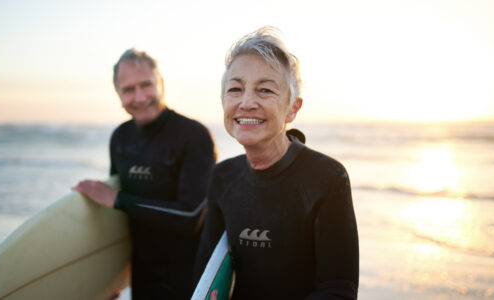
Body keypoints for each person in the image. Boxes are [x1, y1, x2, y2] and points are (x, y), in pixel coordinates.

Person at [194, 27, 359, 299]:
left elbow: (338, 291)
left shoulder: (327, 179)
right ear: (223, 101)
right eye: (235, 89)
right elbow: (205, 274)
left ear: (293, 108)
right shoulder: (223, 177)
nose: (246, 102)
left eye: (265, 90)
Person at [73, 49, 216, 299]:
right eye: (128, 89)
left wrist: (118, 199)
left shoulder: (193, 136)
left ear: (160, 84)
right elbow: (119, 222)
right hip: (142, 277)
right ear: (118, 94)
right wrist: (108, 279)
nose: (139, 97)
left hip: (189, 276)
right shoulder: (121, 138)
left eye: (146, 85)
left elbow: (190, 215)